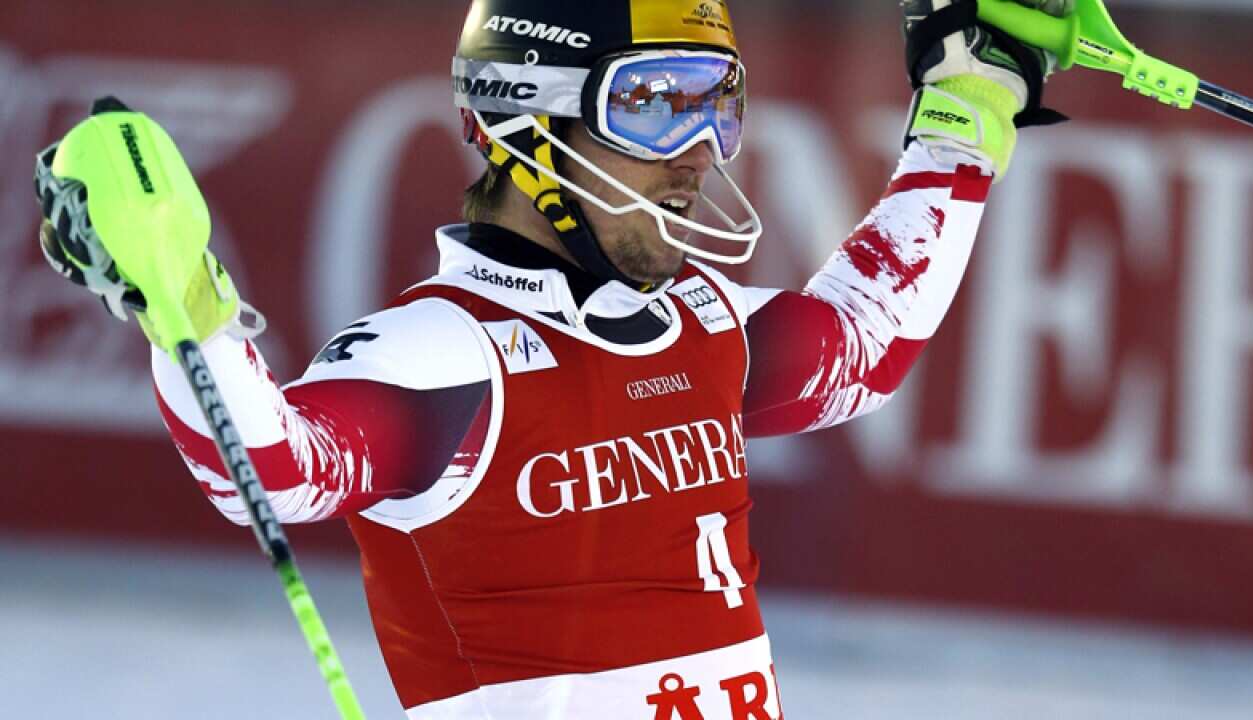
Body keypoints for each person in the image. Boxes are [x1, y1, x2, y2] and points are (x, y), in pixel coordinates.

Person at [33, 1, 1071, 717]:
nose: (701, 148)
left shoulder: (697, 322)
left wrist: (965, 100)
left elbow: (865, 342)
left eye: (717, 102)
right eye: (654, 104)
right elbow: (270, 467)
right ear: (519, 126)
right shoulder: (445, 352)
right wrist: (180, 297)